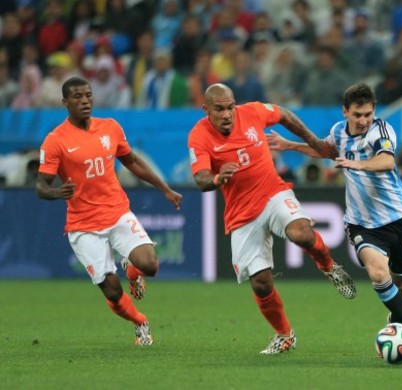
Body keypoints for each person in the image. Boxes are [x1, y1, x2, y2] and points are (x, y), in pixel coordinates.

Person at [187, 83, 356, 355]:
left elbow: (285, 115)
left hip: (272, 193)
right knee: (261, 283)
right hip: (242, 212)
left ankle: (327, 265)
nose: (228, 114)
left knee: (301, 233)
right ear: (206, 110)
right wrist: (218, 178)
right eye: (219, 109)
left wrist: (314, 141)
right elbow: (200, 178)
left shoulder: (252, 112)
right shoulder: (198, 136)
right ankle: (284, 335)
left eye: (230, 107)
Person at [267, 83, 402, 354]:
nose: (364, 120)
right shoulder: (338, 132)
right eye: (357, 115)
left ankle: (399, 314)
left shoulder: (382, 131)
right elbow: (326, 151)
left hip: (398, 217)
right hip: (361, 221)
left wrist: (357, 164)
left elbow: (387, 161)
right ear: (346, 112)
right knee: (378, 273)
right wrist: (289, 146)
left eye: (368, 113)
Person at [36, 76, 183, 346]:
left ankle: (132, 268)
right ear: (65, 102)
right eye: (77, 97)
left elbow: (131, 161)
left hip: (116, 212)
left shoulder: (110, 127)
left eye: (88, 95)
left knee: (150, 264)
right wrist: (58, 193)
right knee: (112, 291)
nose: (85, 101)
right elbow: (40, 186)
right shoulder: (55, 140)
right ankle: (140, 322)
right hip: (83, 225)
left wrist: (164, 188)